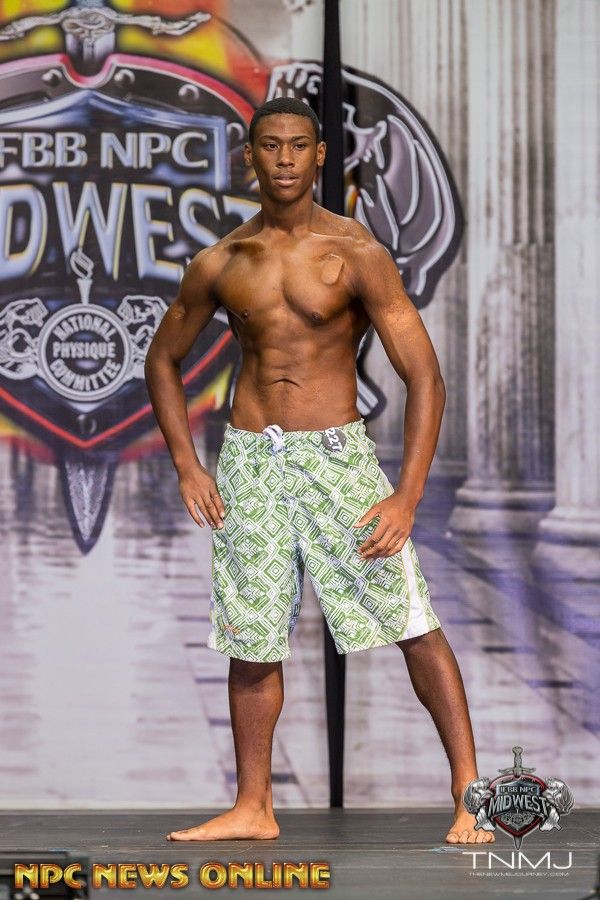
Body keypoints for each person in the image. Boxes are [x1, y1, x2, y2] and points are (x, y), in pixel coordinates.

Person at [144, 96, 494, 846]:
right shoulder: (222, 261)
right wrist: (186, 465)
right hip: (250, 462)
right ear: (250, 156)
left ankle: (471, 793)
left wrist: (407, 496)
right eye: (270, 146)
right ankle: (254, 805)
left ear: (320, 156)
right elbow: (162, 360)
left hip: (337, 459)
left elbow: (425, 378)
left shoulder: (356, 252)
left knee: (411, 621)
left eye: (299, 146)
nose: (284, 160)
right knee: (252, 634)